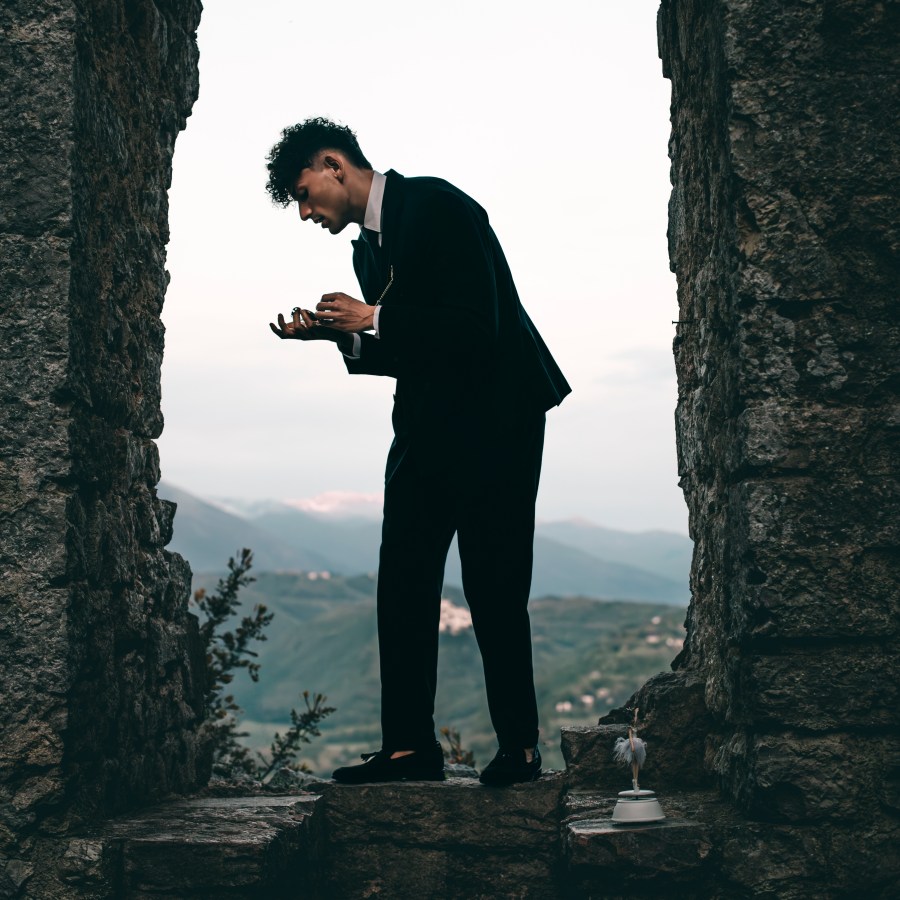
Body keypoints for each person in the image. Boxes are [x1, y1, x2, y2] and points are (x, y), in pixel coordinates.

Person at [266, 118, 570, 785]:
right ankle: (409, 748)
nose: (306, 212)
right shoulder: (365, 253)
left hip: (497, 420)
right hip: (427, 423)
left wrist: (372, 317)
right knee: (402, 578)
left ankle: (519, 748)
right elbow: (411, 351)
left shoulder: (438, 206)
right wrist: (337, 338)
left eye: (304, 192)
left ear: (333, 163)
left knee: (493, 583)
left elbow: (476, 328)